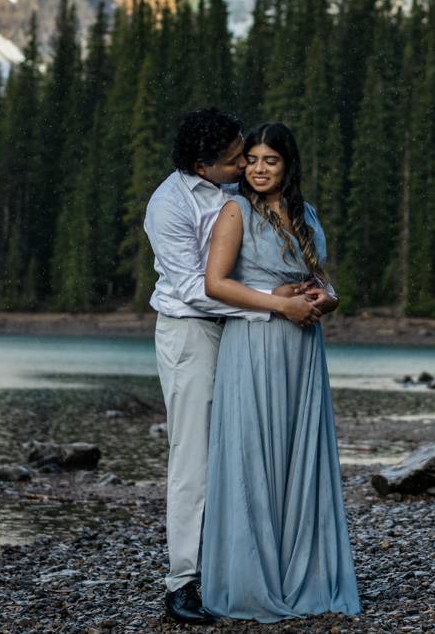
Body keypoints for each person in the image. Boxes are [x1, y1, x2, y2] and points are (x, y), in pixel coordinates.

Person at [144, 109, 323, 626]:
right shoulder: (168, 207)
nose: (246, 163)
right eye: (234, 160)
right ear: (203, 167)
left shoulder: (242, 196)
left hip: (247, 332)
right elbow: (194, 290)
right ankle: (184, 581)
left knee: (246, 447)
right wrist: (273, 303)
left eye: (247, 151)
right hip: (191, 331)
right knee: (194, 455)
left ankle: (246, 565)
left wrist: (300, 295)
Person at [198, 121, 361, 622]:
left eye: (271, 160)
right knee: (254, 455)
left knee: (298, 456)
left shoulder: (304, 212)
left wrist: (325, 299)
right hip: (254, 344)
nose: (259, 169)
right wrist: (277, 304)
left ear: (288, 165)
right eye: (251, 160)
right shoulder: (235, 210)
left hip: (303, 349)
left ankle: (304, 575)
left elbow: (318, 280)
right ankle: (252, 581)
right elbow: (215, 284)